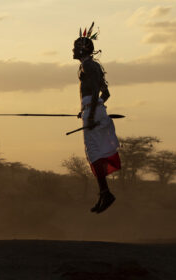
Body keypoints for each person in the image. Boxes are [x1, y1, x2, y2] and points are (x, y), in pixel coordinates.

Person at [73, 22, 121, 213]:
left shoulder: (87, 66)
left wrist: (91, 114)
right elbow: (105, 94)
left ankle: (105, 193)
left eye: (74, 48)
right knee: (95, 154)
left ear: (81, 49)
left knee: (93, 154)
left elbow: (95, 92)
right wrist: (87, 109)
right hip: (94, 110)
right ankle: (104, 192)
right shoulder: (91, 66)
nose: (72, 51)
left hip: (93, 113)